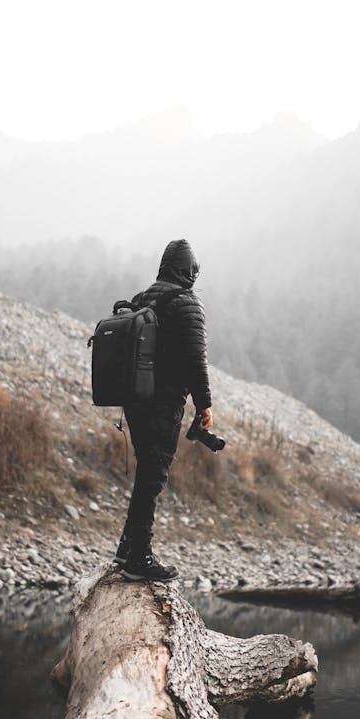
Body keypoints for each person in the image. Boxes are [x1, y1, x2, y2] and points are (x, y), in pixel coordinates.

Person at [116, 239, 214, 582]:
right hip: (164, 402)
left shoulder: (144, 298)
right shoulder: (187, 303)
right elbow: (196, 361)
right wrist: (205, 405)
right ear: (189, 270)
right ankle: (138, 558)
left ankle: (127, 549)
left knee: (147, 471)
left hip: (134, 398)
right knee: (154, 474)